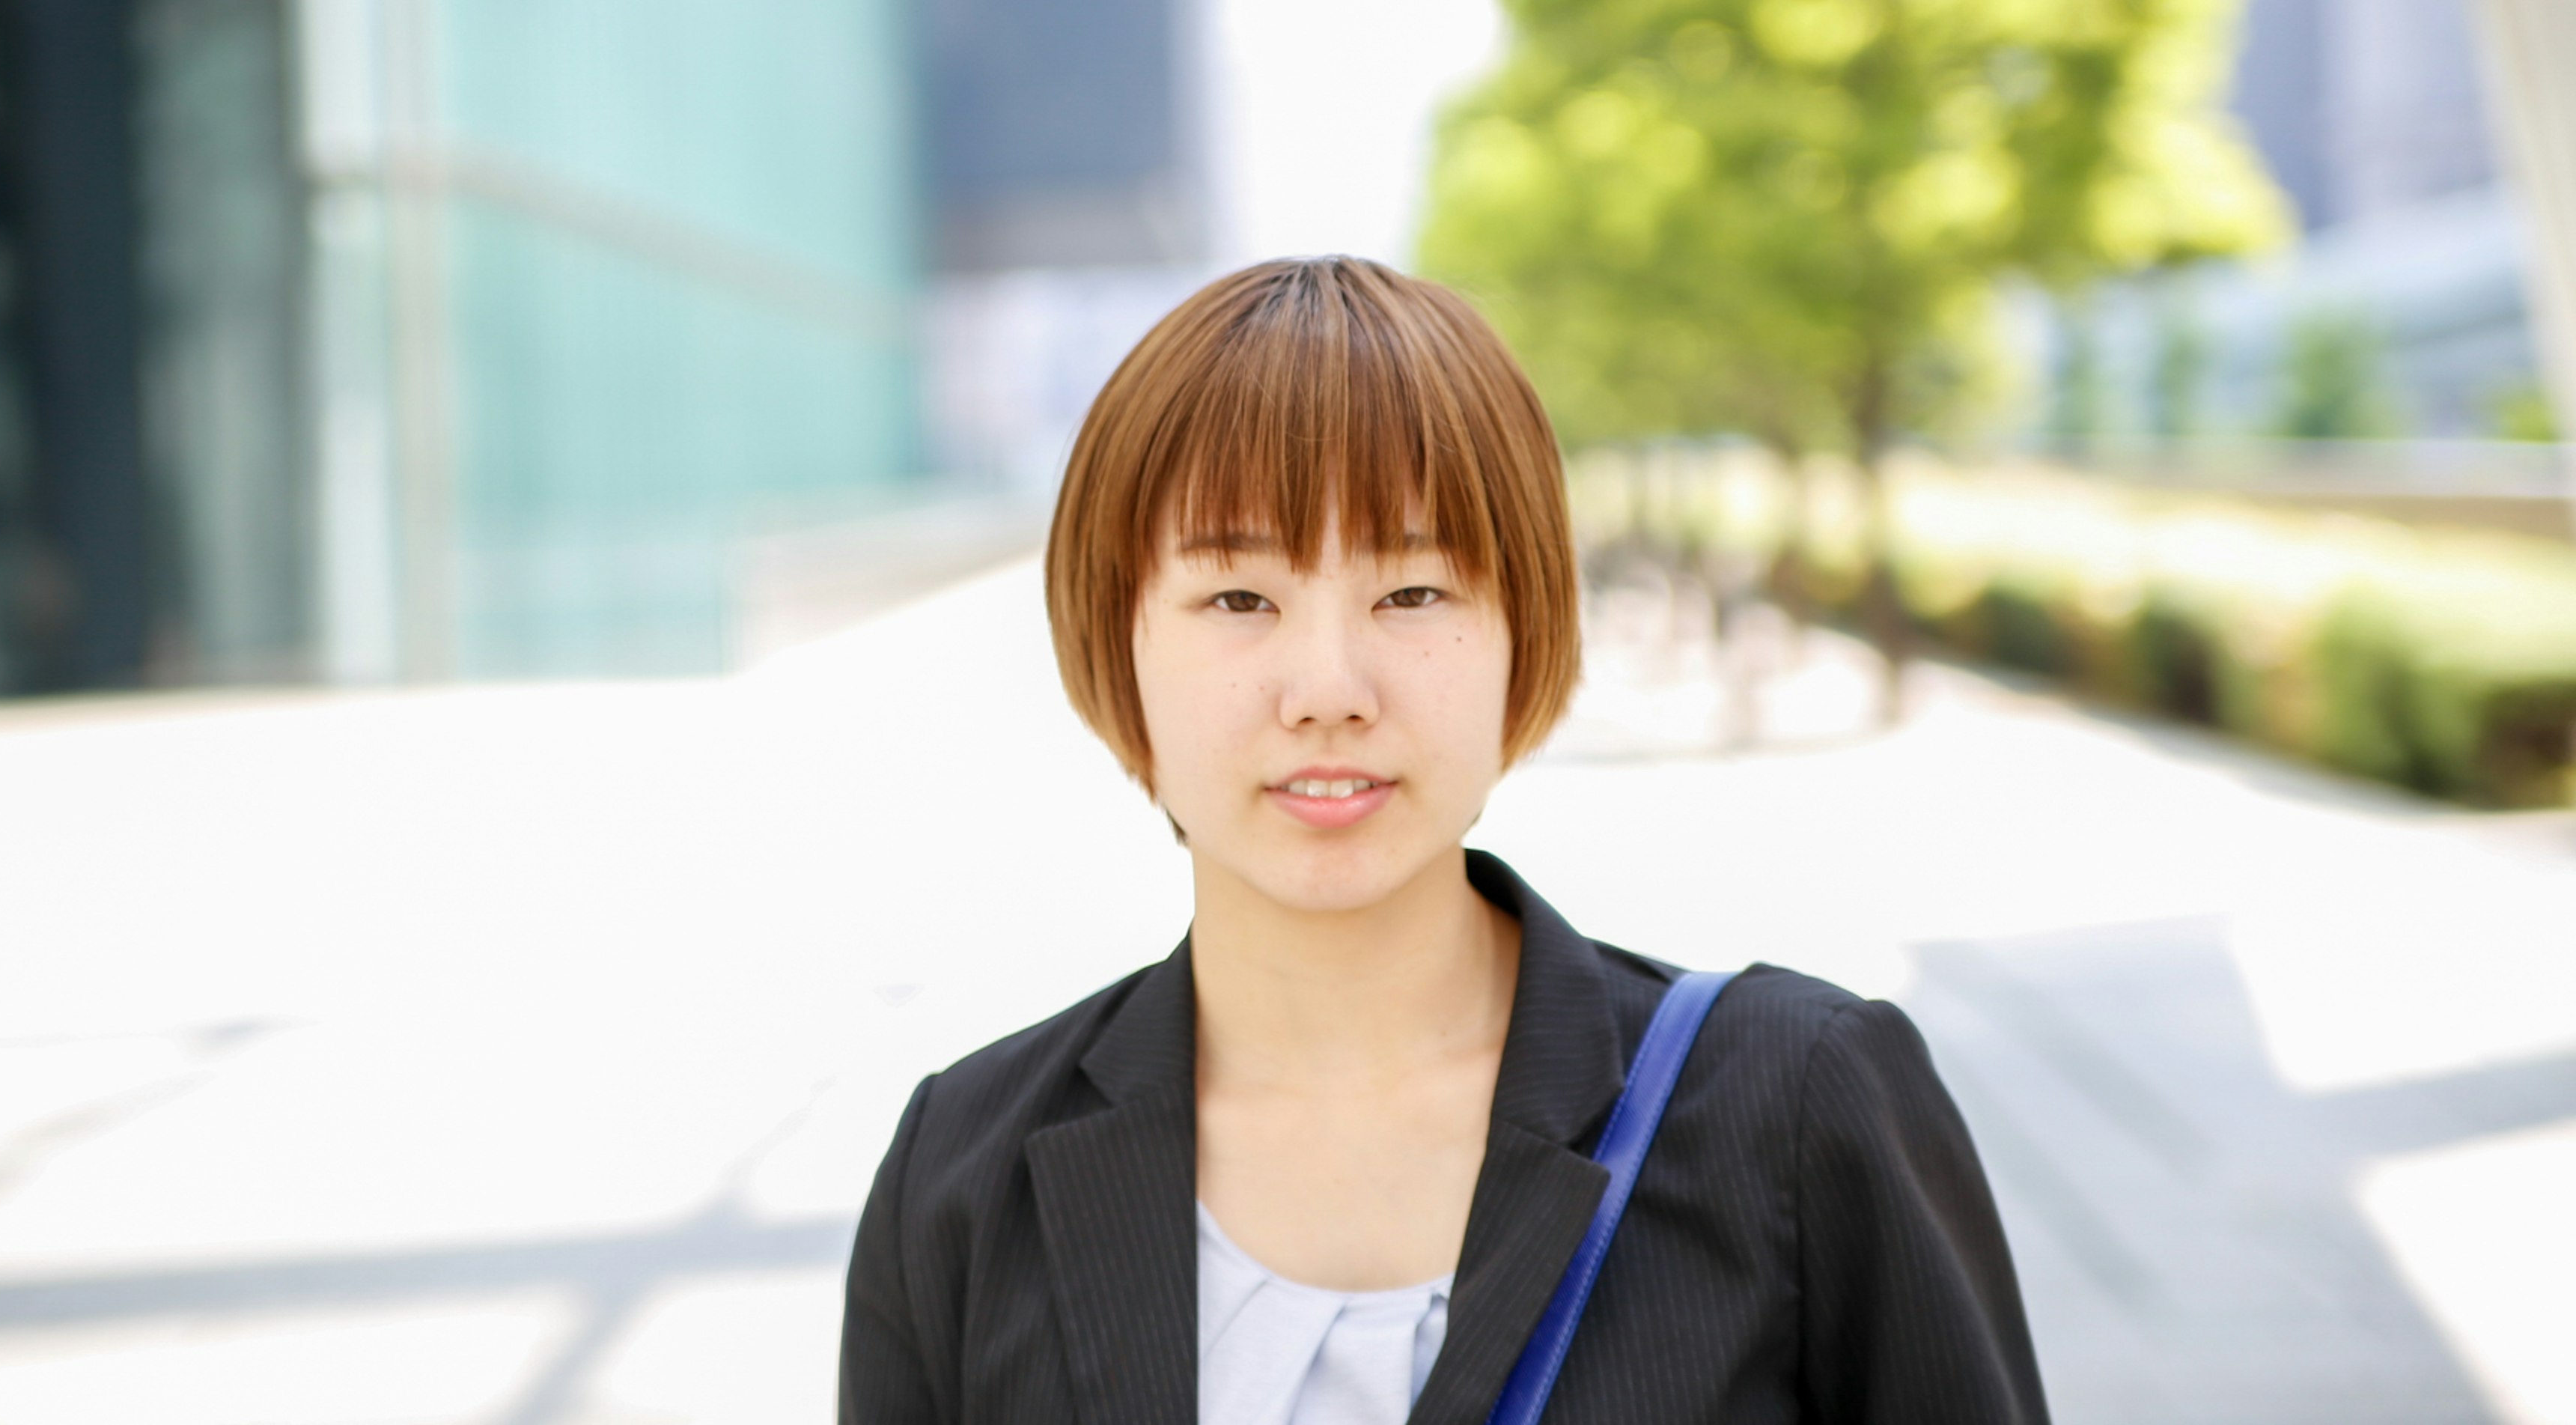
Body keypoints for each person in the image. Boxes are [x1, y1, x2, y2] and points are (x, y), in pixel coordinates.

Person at [840, 257, 2046, 1425]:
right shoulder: (963, 1175)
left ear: (1527, 626)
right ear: (1118, 643)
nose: (1328, 688)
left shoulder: (1796, 1111)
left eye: (1413, 594)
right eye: (1239, 598)